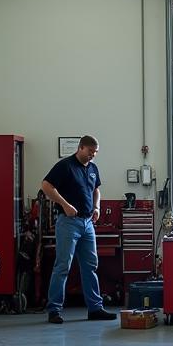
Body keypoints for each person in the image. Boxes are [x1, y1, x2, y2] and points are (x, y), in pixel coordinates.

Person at [41, 135, 116, 324]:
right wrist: (64, 204)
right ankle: (54, 310)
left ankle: (95, 308)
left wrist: (97, 207)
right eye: (90, 151)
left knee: (90, 266)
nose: (93, 155)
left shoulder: (92, 169)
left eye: (95, 152)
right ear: (81, 148)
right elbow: (46, 186)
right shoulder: (65, 166)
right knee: (63, 266)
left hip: (87, 223)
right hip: (68, 222)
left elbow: (96, 189)